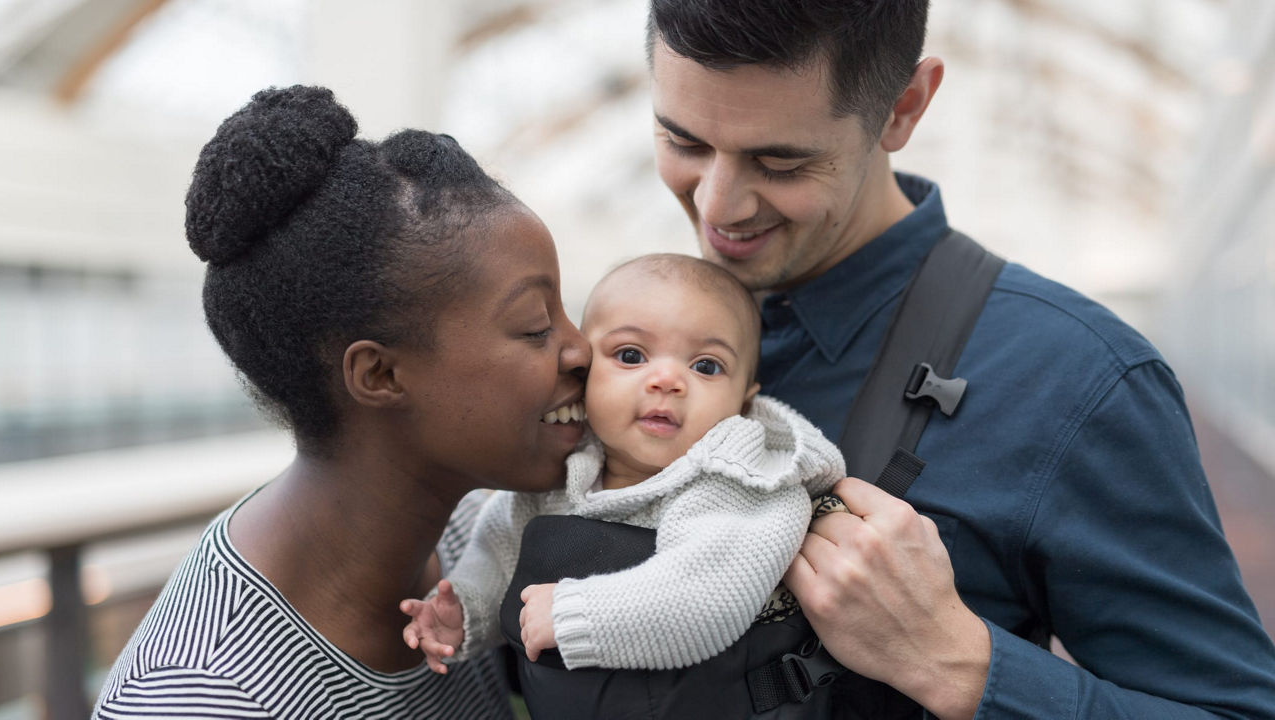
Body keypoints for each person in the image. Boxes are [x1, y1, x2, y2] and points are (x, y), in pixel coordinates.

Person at [644, 1, 1275, 718]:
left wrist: (957, 662)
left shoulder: (1076, 379)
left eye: (780, 160)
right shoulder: (637, 328)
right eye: (682, 141)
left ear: (903, 108)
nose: (717, 204)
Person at [92, 85, 591, 719]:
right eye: (533, 325)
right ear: (380, 374)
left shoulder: (483, 541)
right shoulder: (205, 699)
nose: (583, 351)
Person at [401, 253, 844, 676]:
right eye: (631, 356)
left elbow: (708, 600)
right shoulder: (568, 467)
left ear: (744, 401)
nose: (667, 381)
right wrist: (465, 609)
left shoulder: (741, 484)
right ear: (584, 371)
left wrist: (576, 614)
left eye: (706, 366)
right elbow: (498, 552)